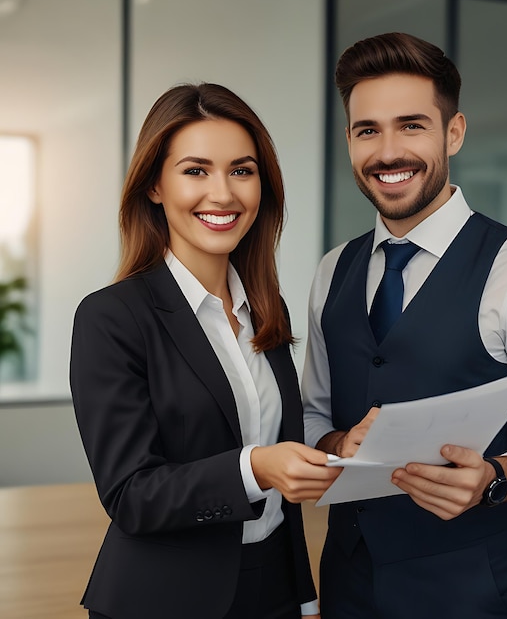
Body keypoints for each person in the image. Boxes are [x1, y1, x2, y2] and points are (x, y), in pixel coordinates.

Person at [302, 32, 507, 618]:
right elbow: (313, 415)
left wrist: (496, 477)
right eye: (368, 130)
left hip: (467, 589)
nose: (388, 153)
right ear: (350, 142)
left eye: (411, 125)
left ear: (454, 133)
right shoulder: (332, 269)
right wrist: (338, 446)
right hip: (347, 579)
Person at [70, 82, 340, 619]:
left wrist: (334, 443)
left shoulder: (268, 310)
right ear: (154, 186)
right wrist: (256, 469)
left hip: (274, 588)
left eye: (242, 170)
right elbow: (131, 495)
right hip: (165, 598)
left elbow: (270, 438)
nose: (223, 194)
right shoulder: (111, 318)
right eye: (196, 171)